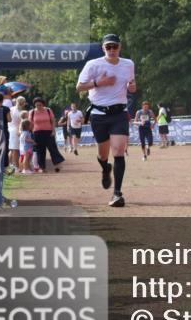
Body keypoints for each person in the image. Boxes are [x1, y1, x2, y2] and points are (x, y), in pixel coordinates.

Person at [76, 33, 137, 207]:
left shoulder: (128, 64)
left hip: (119, 113)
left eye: (114, 47)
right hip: (99, 115)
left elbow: (132, 86)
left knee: (118, 151)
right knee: (103, 154)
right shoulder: (93, 65)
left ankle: (117, 193)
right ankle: (105, 168)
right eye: (108, 47)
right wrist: (98, 83)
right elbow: (79, 87)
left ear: (120, 47)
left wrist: (132, 87)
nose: (111, 50)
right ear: (103, 48)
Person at [30, 97, 65, 173]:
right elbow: (30, 124)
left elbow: (53, 121)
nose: (38, 107)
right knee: (40, 151)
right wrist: (31, 134)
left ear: (43, 104)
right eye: (36, 105)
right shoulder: (32, 112)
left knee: (53, 149)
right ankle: (42, 167)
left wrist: (53, 131)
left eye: (40, 105)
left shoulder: (48, 110)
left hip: (48, 132)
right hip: (37, 133)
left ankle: (57, 165)